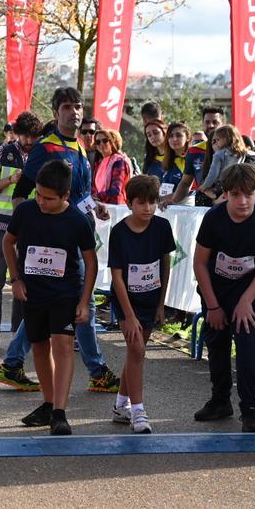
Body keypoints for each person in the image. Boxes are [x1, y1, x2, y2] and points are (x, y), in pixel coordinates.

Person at [0, 87, 120, 394]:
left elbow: (80, 194)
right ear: (56, 113)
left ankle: (13, 363)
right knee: (79, 301)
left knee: (59, 303)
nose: (74, 112)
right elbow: (20, 193)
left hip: (77, 235)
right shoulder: (46, 147)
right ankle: (97, 370)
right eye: (67, 107)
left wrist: (97, 206)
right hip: (55, 242)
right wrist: (31, 231)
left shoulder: (80, 146)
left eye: (78, 106)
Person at [5, 160, 97, 436]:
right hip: (34, 293)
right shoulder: (25, 211)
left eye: (48, 198)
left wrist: (84, 301)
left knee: (64, 346)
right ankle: (48, 402)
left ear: (65, 196)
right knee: (40, 347)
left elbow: (91, 263)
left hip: (66, 293)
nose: (41, 202)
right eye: (38, 195)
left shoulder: (78, 221)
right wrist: (16, 279)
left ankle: (59, 411)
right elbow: (7, 242)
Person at [192, 164, 255, 433]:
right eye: (235, 195)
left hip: (250, 288)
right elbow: (199, 264)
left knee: (247, 340)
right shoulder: (214, 219)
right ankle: (220, 401)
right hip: (216, 287)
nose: (242, 201)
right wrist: (213, 306)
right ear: (226, 194)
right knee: (216, 341)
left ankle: (250, 410)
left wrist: (246, 302)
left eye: (249, 194)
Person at [107, 175, 175, 434]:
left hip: (151, 298)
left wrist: (161, 304)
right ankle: (138, 412)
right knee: (137, 351)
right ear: (129, 203)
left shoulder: (161, 227)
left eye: (152, 202)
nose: (147, 208)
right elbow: (116, 276)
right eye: (141, 203)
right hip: (127, 300)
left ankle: (120, 404)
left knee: (135, 353)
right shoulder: (120, 232)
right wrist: (129, 315)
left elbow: (164, 265)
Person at [0, 110, 42, 356]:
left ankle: (18, 334)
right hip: (0, 225)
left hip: (29, 228)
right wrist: (10, 180)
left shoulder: (41, 155)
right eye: (25, 136)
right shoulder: (0, 153)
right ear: (17, 134)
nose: (29, 141)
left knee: (23, 281)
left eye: (34, 137)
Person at [199, 124, 251, 201]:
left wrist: (205, 186)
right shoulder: (242, 152)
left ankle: (213, 195)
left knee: (202, 192)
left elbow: (213, 173)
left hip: (222, 182)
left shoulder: (219, 154)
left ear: (227, 139)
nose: (216, 143)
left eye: (217, 140)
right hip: (236, 181)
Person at [93, 129, 133, 206]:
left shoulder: (119, 161)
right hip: (101, 207)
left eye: (105, 140)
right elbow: (95, 188)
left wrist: (95, 197)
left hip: (116, 208)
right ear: (96, 146)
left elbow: (116, 190)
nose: (101, 144)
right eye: (98, 142)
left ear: (111, 143)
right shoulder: (99, 163)